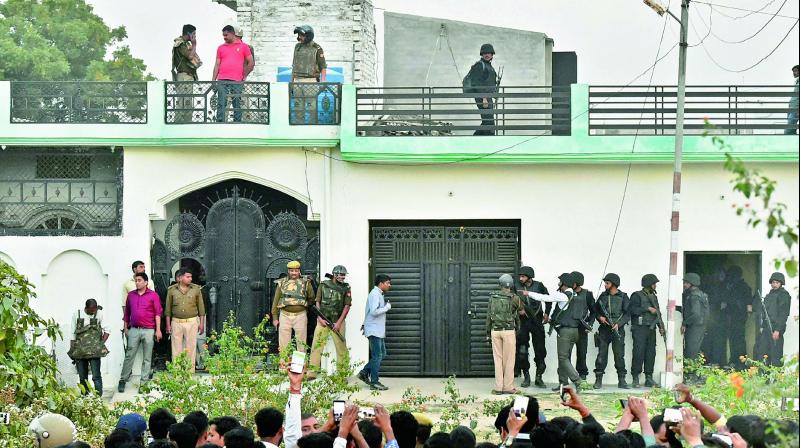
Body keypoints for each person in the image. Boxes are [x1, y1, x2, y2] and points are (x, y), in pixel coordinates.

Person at [119, 272, 163, 393]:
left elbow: (157, 314)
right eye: (135, 280)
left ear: (145, 282)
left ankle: (144, 384)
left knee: (147, 358)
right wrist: (126, 328)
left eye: (139, 280)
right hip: (134, 329)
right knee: (129, 355)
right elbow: (127, 313)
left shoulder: (153, 295)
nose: (137, 282)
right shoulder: (131, 295)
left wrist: (158, 330)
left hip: (149, 330)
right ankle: (123, 380)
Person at [308, 265, 352, 379]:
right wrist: (320, 318)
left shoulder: (346, 288)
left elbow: (347, 306)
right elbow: (318, 302)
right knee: (316, 346)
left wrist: (338, 323)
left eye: (344, 275)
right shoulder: (323, 285)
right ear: (335, 274)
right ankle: (312, 373)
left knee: (341, 349)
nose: (343, 277)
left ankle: (342, 375)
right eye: (341, 275)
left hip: (338, 322)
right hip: (322, 321)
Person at [548, 273, 588, 391]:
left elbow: (591, 311)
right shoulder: (570, 296)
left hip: (570, 330)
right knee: (564, 358)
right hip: (567, 329)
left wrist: (588, 324)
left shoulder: (571, 296)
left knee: (563, 358)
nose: (558, 284)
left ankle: (577, 381)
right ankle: (563, 383)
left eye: (560, 282)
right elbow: (559, 311)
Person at [513, 266, 550, 388]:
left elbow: (548, 299)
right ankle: (526, 376)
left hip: (537, 321)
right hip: (523, 322)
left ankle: (539, 377)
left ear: (529, 277)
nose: (520, 278)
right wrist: (518, 310)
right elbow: (511, 301)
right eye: (520, 276)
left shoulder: (539, 285)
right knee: (522, 351)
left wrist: (546, 313)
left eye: (523, 276)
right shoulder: (516, 285)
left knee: (540, 351)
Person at [592, 273, 631, 389]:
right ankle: (598, 380)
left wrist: (619, 324)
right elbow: (595, 311)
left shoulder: (623, 297)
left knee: (619, 355)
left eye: (607, 283)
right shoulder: (602, 296)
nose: (605, 285)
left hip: (618, 330)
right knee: (601, 355)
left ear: (613, 284)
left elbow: (628, 314)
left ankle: (622, 380)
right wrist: (600, 318)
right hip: (604, 330)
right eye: (605, 283)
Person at [486, 274, 523, 394]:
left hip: (495, 331)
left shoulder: (492, 297)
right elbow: (521, 311)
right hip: (508, 331)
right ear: (511, 285)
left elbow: (488, 317)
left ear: (500, 284)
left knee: (498, 360)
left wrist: (488, 332)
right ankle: (508, 387)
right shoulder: (515, 298)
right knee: (509, 360)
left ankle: (498, 388)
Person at [212, 24, 254, 122]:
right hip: (222, 80)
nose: (224, 37)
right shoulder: (220, 48)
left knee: (237, 103)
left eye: (226, 35)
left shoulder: (244, 47)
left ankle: (237, 123)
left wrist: (244, 76)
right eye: (223, 35)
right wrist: (213, 80)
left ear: (233, 34)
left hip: (237, 80)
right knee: (221, 102)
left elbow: (251, 63)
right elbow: (217, 64)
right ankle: (220, 123)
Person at [165, 269, 205, 371]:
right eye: (188, 277)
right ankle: (177, 372)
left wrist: (201, 324)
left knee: (191, 348)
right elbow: (168, 309)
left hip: (191, 322)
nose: (190, 279)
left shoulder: (196, 289)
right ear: (180, 278)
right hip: (176, 322)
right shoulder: (172, 290)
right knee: (176, 348)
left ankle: (189, 372)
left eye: (191, 277)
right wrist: (168, 325)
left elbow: (201, 308)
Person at [629, 274, 665, 388]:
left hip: (651, 328)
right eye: (654, 283)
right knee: (638, 352)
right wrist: (647, 308)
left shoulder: (653, 296)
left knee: (651, 353)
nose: (655, 286)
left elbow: (658, 312)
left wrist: (661, 326)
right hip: (640, 328)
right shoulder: (636, 295)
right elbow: (632, 310)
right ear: (649, 284)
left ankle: (648, 377)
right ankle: (636, 377)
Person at [358, 274, 393, 391]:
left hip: (377, 330)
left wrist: (364, 323)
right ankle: (374, 382)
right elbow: (373, 311)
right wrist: (387, 307)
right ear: (381, 283)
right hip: (374, 331)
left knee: (381, 354)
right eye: (387, 283)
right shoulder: (375, 294)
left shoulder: (378, 294)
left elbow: (369, 311)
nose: (389, 285)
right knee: (377, 356)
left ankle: (364, 372)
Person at [271, 260, 315, 353]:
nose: (294, 273)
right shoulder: (282, 283)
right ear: (288, 271)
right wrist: (275, 318)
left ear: (299, 271)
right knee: (283, 344)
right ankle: (283, 366)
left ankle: (299, 367)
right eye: (291, 271)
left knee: (301, 344)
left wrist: (304, 306)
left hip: (300, 316)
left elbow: (311, 298)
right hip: (284, 315)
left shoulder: (306, 283)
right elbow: (276, 301)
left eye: (295, 270)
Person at [70, 298, 109, 395]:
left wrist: (100, 344)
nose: (93, 313)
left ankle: (98, 398)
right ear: (86, 308)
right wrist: (72, 350)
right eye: (91, 311)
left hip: (94, 352)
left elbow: (107, 330)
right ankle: (85, 398)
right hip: (80, 351)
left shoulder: (99, 314)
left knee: (96, 376)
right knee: (83, 377)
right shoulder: (77, 314)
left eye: (94, 311)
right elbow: (72, 333)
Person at [753, 272, 792, 367]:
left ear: (781, 283)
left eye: (777, 283)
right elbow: (765, 313)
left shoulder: (784, 295)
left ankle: (776, 380)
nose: (774, 284)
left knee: (776, 357)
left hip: (776, 331)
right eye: (773, 282)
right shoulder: (769, 296)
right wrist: (762, 327)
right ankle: (763, 380)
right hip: (766, 329)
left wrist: (778, 330)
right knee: (763, 356)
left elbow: (783, 315)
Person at [291, 25, 327, 124]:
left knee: (312, 108)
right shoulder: (297, 47)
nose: (299, 37)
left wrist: (322, 82)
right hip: (297, 81)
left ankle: (313, 129)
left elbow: (323, 66)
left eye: (301, 35)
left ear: (308, 36)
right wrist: (292, 83)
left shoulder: (317, 48)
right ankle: (298, 130)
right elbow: (294, 65)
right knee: (298, 108)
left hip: (310, 81)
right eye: (298, 35)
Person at [677, 273, 709, 382]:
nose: (684, 285)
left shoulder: (694, 296)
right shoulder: (700, 294)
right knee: (695, 351)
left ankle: (693, 376)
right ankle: (696, 375)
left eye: (686, 283)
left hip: (695, 327)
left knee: (691, 351)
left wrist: (685, 323)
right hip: (699, 327)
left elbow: (695, 314)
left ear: (692, 284)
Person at [464, 44, 498, 135]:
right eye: (485, 53)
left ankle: (475, 139)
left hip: (488, 97)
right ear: (482, 54)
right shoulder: (479, 65)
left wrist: (494, 93)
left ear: (492, 55)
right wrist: (484, 98)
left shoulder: (489, 66)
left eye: (489, 53)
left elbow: (489, 83)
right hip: (483, 98)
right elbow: (476, 83)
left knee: (487, 121)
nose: (487, 55)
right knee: (489, 122)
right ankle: (487, 140)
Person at [722, 265, 752, 369]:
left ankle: (740, 362)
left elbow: (748, 306)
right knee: (735, 339)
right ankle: (737, 361)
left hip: (737, 317)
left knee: (737, 339)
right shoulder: (739, 286)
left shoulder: (739, 287)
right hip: (736, 317)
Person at [570, 271, 596, 382]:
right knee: (565, 355)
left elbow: (594, 311)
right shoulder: (567, 293)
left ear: (577, 282)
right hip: (569, 327)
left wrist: (590, 324)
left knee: (582, 353)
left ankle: (582, 376)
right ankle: (566, 378)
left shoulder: (587, 294)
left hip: (582, 328)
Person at [786, 64, 799, 135]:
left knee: (788, 131)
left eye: (796, 71)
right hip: (791, 108)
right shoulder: (797, 82)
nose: (794, 73)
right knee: (792, 131)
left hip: (796, 109)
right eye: (793, 71)